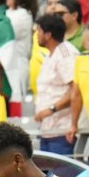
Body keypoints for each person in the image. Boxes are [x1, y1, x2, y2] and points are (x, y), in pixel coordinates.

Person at [34, 14, 79, 156]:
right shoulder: (50, 55)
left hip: (63, 130)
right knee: (48, 176)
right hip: (47, 129)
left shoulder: (66, 54)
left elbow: (76, 89)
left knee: (61, 176)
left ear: (48, 35)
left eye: (39, 31)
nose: (36, 35)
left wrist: (52, 109)